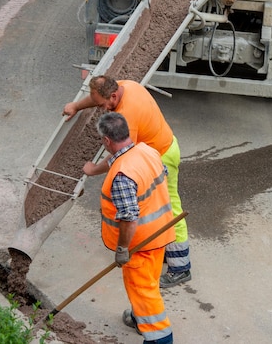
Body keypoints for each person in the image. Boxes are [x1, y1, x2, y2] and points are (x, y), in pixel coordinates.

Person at [63, 75, 192, 288]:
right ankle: (162, 246)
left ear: (113, 96)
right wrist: (76, 106)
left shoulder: (126, 114)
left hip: (161, 155)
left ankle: (180, 266)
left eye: (105, 105)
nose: (103, 109)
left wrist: (93, 169)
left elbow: (121, 153)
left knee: (169, 210)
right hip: (158, 147)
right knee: (154, 207)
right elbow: (96, 99)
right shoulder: (125, 86)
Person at [95, 112, 175, 343]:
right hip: (159, 234)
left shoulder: (122, 175)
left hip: (139, 246)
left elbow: (129, 218)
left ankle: (160, 337)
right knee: (149, 284)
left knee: (144, 291)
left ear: (107, 141)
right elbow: (162, 177)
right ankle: (140, 318)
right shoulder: (148, 151)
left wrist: (122, 249)